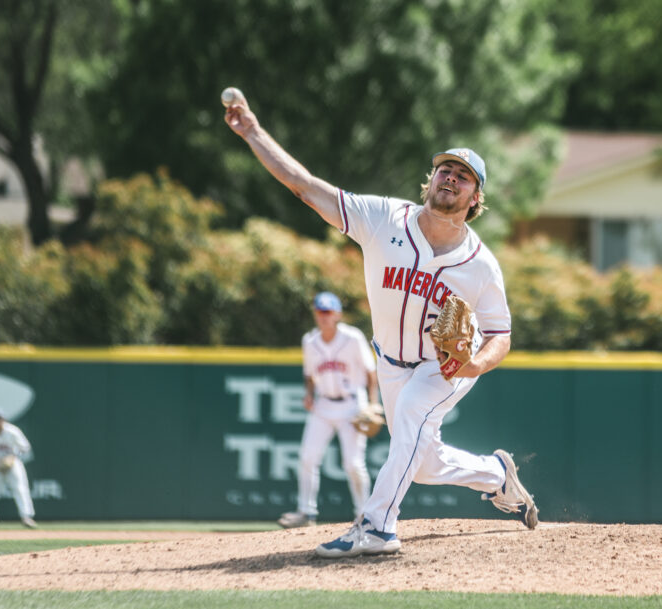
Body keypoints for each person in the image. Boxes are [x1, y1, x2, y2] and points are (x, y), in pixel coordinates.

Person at [225, 91, 538, 558]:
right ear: (431, 179)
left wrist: (472, 365)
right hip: (389, 361)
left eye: (464, 175)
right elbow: (305, 186)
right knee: (423, 462)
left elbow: (500, 335)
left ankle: (376, 528)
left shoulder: (480, 264)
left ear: (475, 198)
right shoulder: (383, 218)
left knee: (412, 411)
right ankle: (497, 475)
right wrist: (253, 132)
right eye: (445, 169)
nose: (451, 177)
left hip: (445, 365)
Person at [278, 291, 379, 529]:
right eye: (320, 311)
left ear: (337, 314)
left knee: (353, 464)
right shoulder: (310, 341)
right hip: (323, 405)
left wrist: (373, 403)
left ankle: (364, 515)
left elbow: (370, 371)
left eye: (328, 311)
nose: (324, 316)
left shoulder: (352, 337)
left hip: (352, 405)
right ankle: (306, 512)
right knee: (307, 457)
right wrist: (309, 394)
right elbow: (309, 374)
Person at [0, 411, 37, 529]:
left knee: (20, 489)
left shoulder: (13, 431)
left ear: (4, 420)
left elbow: (25, 447)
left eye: (0, 419)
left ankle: (26, 517)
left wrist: (13, 456)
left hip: (13, 464)